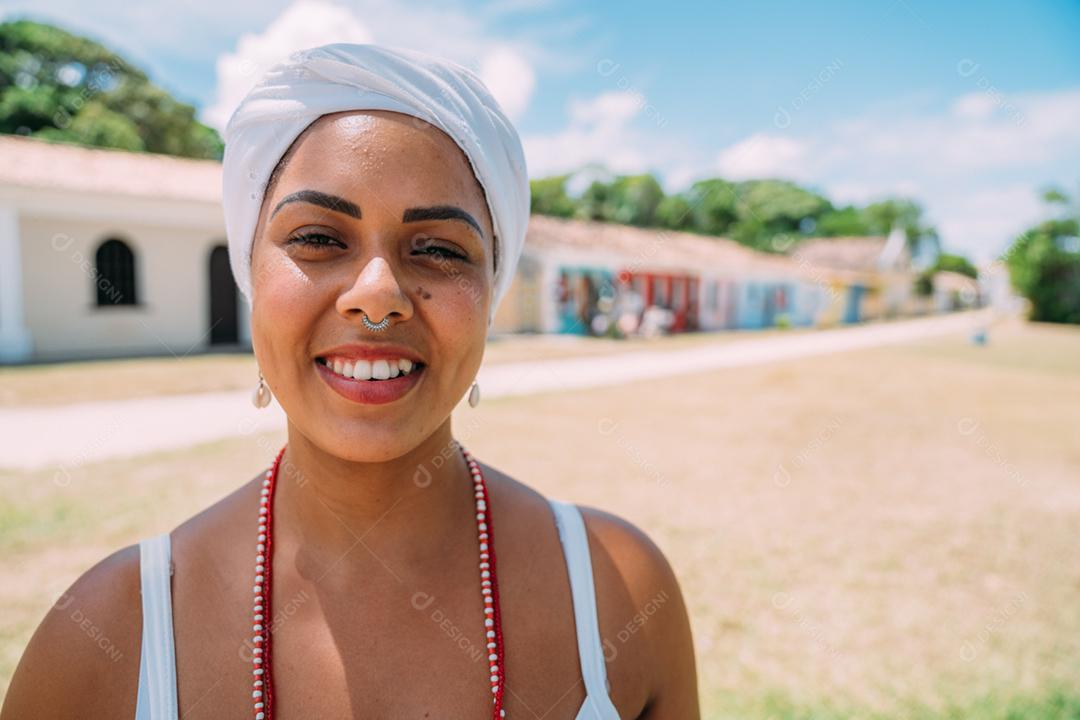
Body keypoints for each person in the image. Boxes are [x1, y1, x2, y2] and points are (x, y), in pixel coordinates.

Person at [1, 44, 699, 719]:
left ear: (492, 290)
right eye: (318, 237)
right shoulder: (108, 637)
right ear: (251, 278)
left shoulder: (619, 592)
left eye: (436, 249)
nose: (377, 294)